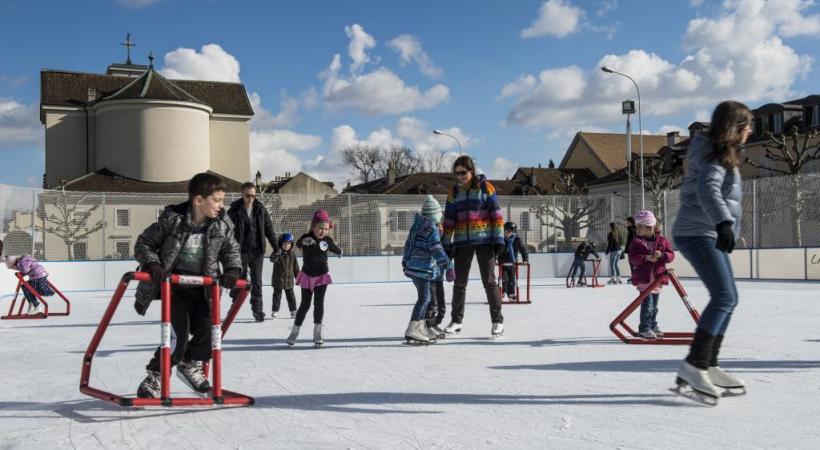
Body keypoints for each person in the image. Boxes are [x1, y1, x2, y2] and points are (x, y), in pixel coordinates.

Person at [133, 173, 242, 399]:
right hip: (174, 289)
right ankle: (155, 376)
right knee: (177, 337)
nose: (222, 206)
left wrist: (233, 270)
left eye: (223, 201)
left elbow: (231, 249)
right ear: (199, 200)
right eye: (218, 200)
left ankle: (189, 363)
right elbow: (143, 243)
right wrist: (152, 264)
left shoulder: (222, 224)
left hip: (204, 290)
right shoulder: (173, 221)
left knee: (211, 334)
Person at [672, 100, 752, 403]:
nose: (750, 132)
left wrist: (723, 226)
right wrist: (723, 223)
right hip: (697, 232)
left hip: (703, 231)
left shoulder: (721, 153)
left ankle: (708, 363)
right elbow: (708, 189)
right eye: (747, 126)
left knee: (728, 298)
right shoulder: (716, 155)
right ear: (737, 127)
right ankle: (695, 364)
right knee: (724, 297)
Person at [441, 155, 506, 337]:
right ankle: (456, 321)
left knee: (489, 282)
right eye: (456, 173)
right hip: (462, 242)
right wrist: (446, 242)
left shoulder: (486, 188)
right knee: (459, 284)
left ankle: (497, 321)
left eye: (463, 172)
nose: (460, 176)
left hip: (485, 241)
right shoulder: (454, 192)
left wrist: (499, 240)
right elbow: (449, 220)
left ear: (471, 171)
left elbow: (497, 216)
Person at [402, 195, 454, 344]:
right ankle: (413, 328)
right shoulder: (432, 229)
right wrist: (449, 266)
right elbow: (437, 249)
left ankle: (420, 327)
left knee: (425, 298)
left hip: (413, 268)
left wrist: (405, 262)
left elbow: (408, 245)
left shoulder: (417, 226)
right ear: (437, 215)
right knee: (425, 298)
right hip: (423, 269)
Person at [286, 209, 342, 347]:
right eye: (320, 228)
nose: (323, 231)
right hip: (307, 276)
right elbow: (298, 244)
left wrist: (339, 251)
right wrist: (305, 241)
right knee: (304, 305)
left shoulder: (327, 240)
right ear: (313, 227)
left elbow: (333, 247)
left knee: (319, 304)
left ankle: (317, 331)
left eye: (326, 228)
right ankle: (294, 331)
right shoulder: (307, 238)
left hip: (321, 277)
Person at [227, 182, 277, 322]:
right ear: (242, 195)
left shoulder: (260, 209)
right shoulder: (234, 210)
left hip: (257, 251)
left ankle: (257, 310)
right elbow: (226, 231)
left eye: (253, 196)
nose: (250, 199)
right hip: (240, 251)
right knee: (239, 281)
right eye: (248, 195)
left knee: (257, 282)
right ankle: (234, 306)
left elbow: (269, 229)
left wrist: (276, 247)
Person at [628, 211, 675, 339]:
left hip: (657, 279)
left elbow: (671, 255)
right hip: (644, 279)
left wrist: (662, 255)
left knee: (654, 307)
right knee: (647, 306)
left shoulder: (663, 241)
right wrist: (646, 258)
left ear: (650, 227)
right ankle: (644, 328)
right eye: (637, 227)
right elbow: (632, 258)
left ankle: (653, 325)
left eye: (640, 227)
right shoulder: (636, 242)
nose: (637, 230)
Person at [2, 241, 50, 315]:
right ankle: (31, 303)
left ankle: (37, 306)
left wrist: (19, 270)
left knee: (29, 289)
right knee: (25, 286)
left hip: (37, 276)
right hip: (39, 275)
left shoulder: (23, 260)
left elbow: (25, 270)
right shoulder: (27, 258)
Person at [270, 233, 299, 319]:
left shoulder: (292, 255)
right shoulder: (277, 253)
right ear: (280, 244)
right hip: (278, 280)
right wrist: (276, 253)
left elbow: (296, 268)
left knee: (291, 297)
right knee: (277, 296)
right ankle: (275, 310)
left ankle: (293, 311)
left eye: (289, 244)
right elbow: (272, 259)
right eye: (285, 244)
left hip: (289, 280)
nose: (287, 246)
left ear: (291, 245)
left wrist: (299, 278)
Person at [498, 222, 529, 300]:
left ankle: (511, 294)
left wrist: (525, 259)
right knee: (504, 279)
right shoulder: (500, 239)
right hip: (503, 263)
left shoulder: (517, 240)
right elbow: (496, 250)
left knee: (512, 280)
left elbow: (523, 250)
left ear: (513, 232)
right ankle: (501, 292)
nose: (506, 233)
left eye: (508, 231)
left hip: (512, 263)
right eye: (505, 231)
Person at [624, 217, 637, 282]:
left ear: (631, 223)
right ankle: (634, 276)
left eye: (628, 222)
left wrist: (627, 249)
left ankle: (634, 277)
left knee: (632, 264)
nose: (627, 224)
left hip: (632, 249)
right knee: (633, 264)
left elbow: (630, 241)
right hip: (634, 249)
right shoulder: (633, 229)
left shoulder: (631, 230)